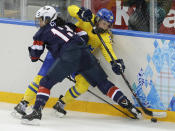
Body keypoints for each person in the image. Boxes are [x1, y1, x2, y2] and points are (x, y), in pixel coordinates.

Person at [21, 5, 142, 125]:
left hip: (69, 55)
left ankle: (37, 112)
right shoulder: (86, 19)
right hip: (82, 53)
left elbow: (108, 51)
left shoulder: (104, 36)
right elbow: (71, 9)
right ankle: (130, 106)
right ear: (97, 19)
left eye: (108, 25)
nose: (105, 27)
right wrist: (80, 12)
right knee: (103, 84)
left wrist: (114, 62)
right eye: (103, 23)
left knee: (45, 82)